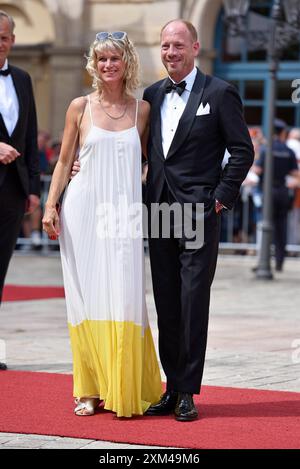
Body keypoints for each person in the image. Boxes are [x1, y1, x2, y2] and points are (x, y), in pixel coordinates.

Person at [42, 31, 162, 417]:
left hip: (123, 216)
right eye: (102, 59)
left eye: (115, 58)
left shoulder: (142, 110)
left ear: (127, 61)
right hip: (82, 211)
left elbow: (151, 163)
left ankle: (125, 384)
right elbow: (64, 161)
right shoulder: (79, 107)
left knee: (126, 297)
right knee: (86, 298)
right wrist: (50, 206)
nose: (108, 65)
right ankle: (89, 389)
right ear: (94, 64)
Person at [142, 19, 254, 421]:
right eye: (165, 46)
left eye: (177, 45)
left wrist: (220, 199)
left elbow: (242, 151)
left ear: (195, 47)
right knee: (167, 301)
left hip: (199, 211)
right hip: (158, 210)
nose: (170, 52)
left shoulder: (220, 93)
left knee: (192, 302)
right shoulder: (151, 94)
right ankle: (171, 388)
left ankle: (188, 390)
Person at [0, 11, 40, 370]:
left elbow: (29, 134)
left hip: (13, 191)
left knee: (1, 269)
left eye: (3, 37)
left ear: (12, 40)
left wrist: (34, 187)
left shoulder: (23, 79)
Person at [253, 119, 300, 271]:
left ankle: (263, 260)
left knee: (265, 225)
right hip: (283, 191)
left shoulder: (267, 150)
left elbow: (258, 171)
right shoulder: (289, 151)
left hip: (268, 191)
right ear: (283, 133)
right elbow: (295, 173)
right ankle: (279, 261)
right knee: (281, 227)